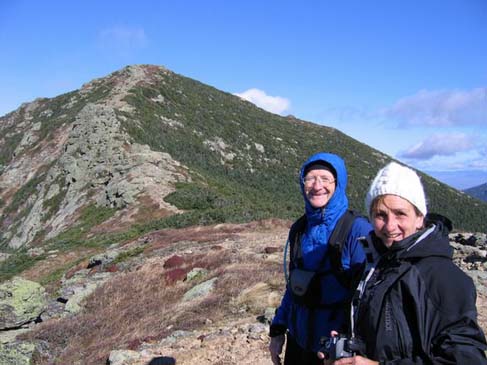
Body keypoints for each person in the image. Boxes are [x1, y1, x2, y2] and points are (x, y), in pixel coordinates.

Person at [321, 161, 487, 364]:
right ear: (371, 218)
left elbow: (467, 360)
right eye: (380, 215)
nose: (390, 226)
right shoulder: (372, 268)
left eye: (400, 213)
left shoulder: (442, 277)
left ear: (419, 218)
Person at [269, 152, 372, 365]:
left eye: (325, 179)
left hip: (336, 350)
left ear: (338, 183)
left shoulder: (358, 230)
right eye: (310, 178)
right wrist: (278, 329)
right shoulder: (299, 229)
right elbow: (294, 287)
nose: (317, 186)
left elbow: (372, 298)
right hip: (298, 343)